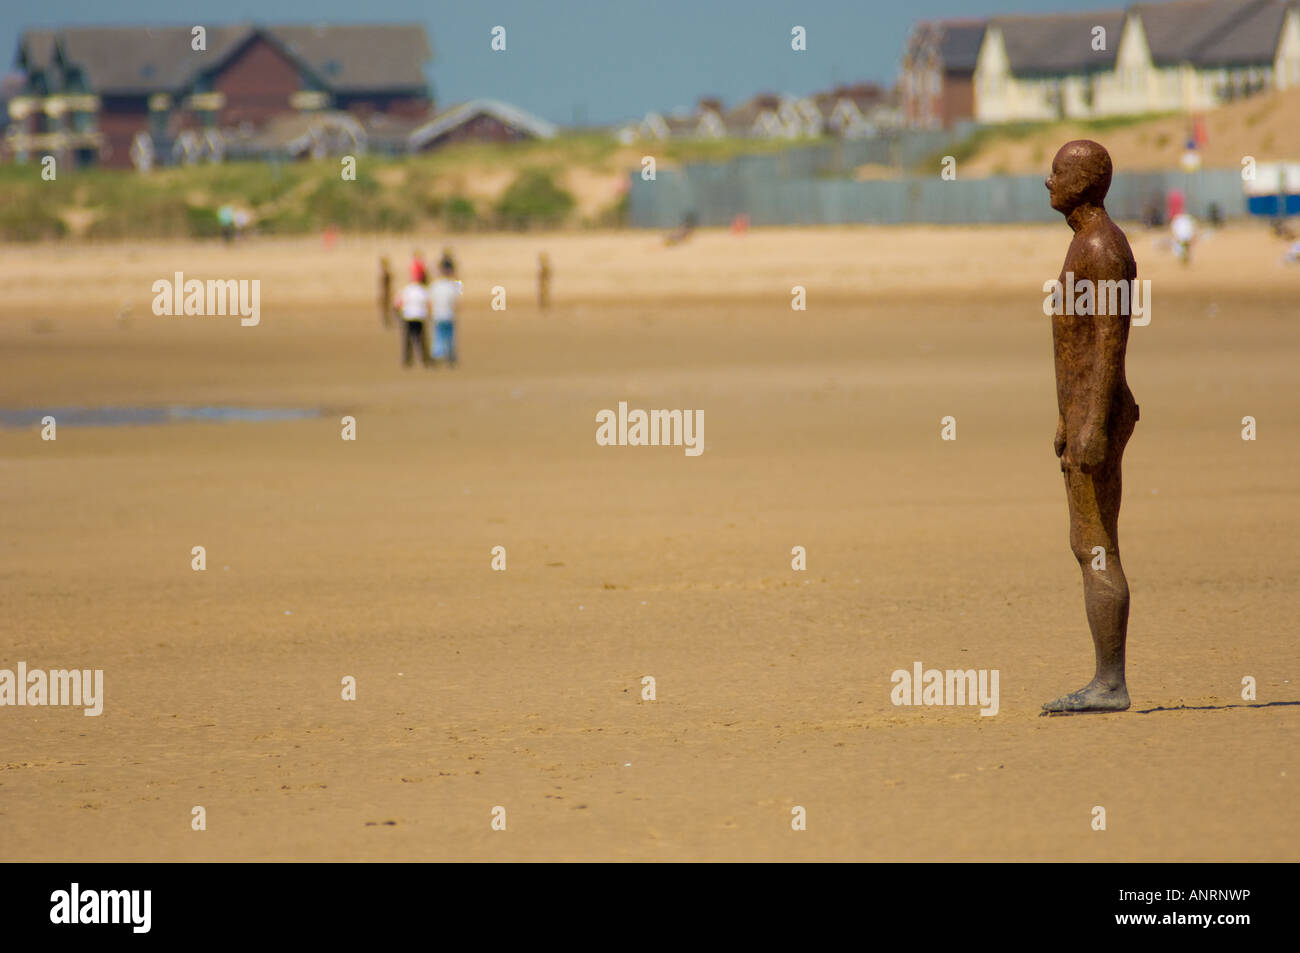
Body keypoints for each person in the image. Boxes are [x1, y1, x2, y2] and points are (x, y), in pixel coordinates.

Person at [1043, 140, 1140, 714]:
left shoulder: (1101, 248)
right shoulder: (1086, 243)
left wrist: (1094, 423)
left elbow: (1108, 342)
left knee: (1096, 545)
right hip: (1084, 414)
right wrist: (1066, 415)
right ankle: (1107, 679)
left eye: (1058, 172)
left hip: (1096, 417)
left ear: (1084, 181)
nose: (1047, 181)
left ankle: (1109, 683)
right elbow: (1074, 347)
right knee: (1089, 543)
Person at [394, 267, 433, 368]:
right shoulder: (423, 290)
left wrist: (398, 314)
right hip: (419, 316)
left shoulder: (406, 290)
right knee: (421, 339)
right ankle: (425, 359)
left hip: (408, 316)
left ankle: (407, 360)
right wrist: (429, 314)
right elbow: (429, 304)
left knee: (408, 340)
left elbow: (398, 304)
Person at [430, 253, 464, 366]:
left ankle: (437, 355)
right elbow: (456, 298)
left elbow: (430, 301)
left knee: (438, 336)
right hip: (448, 315)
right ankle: (450, 356)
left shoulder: (435, 285)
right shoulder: (451, 286)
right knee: (449, 336)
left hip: (437, 315)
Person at [378, 257, 393, 327]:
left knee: (386, 308)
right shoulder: (384, 272)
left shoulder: (384, 272)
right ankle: (385, 321)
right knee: (385, 308)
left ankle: (386, 321)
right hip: (385, 293)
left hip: (385, 292)